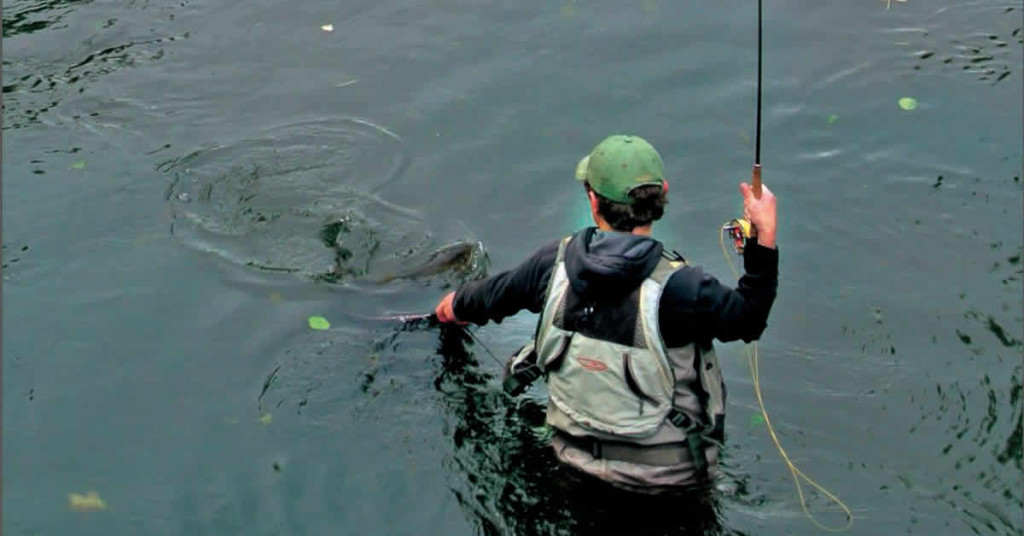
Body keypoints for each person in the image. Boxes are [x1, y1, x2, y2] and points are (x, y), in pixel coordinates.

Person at [432, 134, 778, 494]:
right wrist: (764, 235)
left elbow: (477, 302)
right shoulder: (685, 289)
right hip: (673, 492)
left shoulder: (551, 266)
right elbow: (750, 318)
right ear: (662, 194)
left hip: (572, 474)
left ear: (593, 201)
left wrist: (452, 306)